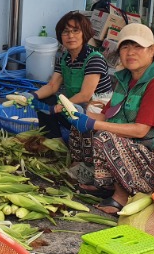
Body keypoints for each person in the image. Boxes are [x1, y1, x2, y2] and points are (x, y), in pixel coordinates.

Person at [67, 23, 154, 215]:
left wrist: (95, 123)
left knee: (106, 136)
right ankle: (103, 184)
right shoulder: (126, 78)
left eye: (138, 47)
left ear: (152, 50)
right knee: (82, 128)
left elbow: (140, 130)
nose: (131, 52)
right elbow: (108, 115)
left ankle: (121, 196)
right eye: (125, 47)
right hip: (135, 150)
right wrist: (79, 113)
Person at [21, 12, 114, 181]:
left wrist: (57, 108)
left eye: (75, 31)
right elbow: (52, 86)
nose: (70, 36)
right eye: (65, 32)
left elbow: (86, 95)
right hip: (75, 106)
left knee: (70, 110)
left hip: (96, 112)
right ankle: (57, 146)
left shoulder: (94, 59)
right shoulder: (64, 58)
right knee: (43, 100)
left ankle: (84, 161)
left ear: (85, 33)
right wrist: (30, 95)